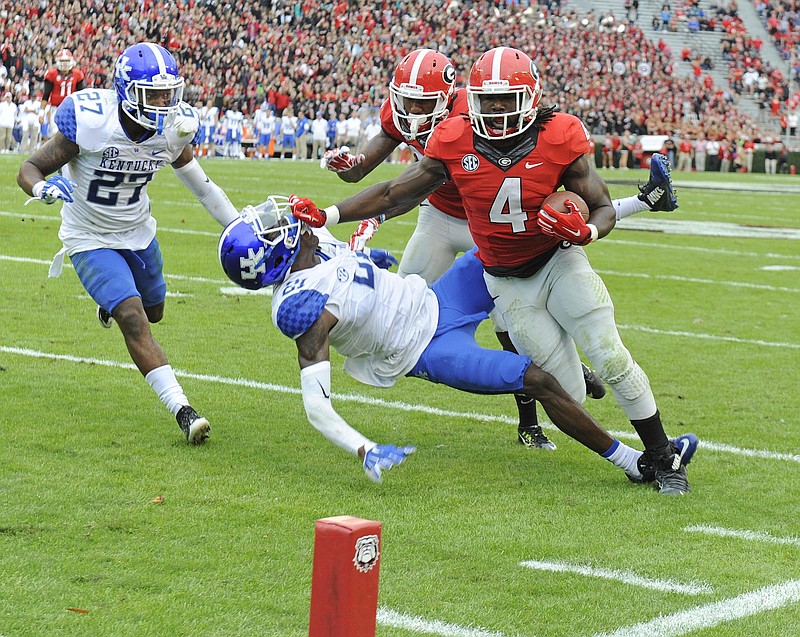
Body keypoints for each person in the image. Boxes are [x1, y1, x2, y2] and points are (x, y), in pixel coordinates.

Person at [288, 47, 694, 495]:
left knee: (611, 357)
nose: (497, 108)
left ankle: (663, 457)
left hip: (557, 260)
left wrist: (588, 234)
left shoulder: (560, 134)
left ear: (532, 95)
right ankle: (614, 440)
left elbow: (599, 205)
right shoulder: (454, 137)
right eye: (489, 99)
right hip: (503, 278)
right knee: (567, 391)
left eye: (509, 97)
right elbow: (393, 193)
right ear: (472, 98)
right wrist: (327, 215)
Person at [217, 196, 697, 484]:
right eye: (271, 226)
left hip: (435, 298)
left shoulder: (313, 246)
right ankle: (635, 462)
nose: (279, 218)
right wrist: (364, 448)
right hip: (427, 350)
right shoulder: (303, 309)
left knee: (509, 239)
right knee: (536, 380)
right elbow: (316, 406)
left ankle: (638, 202)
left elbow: (353, 268)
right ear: (271, 259)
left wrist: (373, 258)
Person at [17, 42, 240, 444]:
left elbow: (204, 190)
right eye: (152, 94)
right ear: (125, 90)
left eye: (167, 94)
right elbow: (29, 167)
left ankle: (112, 306)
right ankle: (184, 411)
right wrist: (42, 188)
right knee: (133, 317)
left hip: (139, 232)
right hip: (88, 235)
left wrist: (238, 226)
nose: (162, 103)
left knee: (154, 312)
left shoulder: (172, 129)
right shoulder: (91, 121)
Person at [40, 49, 85, 142]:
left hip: (71, 109)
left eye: (67, 61)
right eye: (62, 61)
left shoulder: (77, 74)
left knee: (71, 135)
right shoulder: (51, 74)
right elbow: (46, 94)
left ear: (71, 61)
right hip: (56, 108)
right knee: (55, 132)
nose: (64, 63)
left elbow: (81, 95)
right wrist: (41, 113)